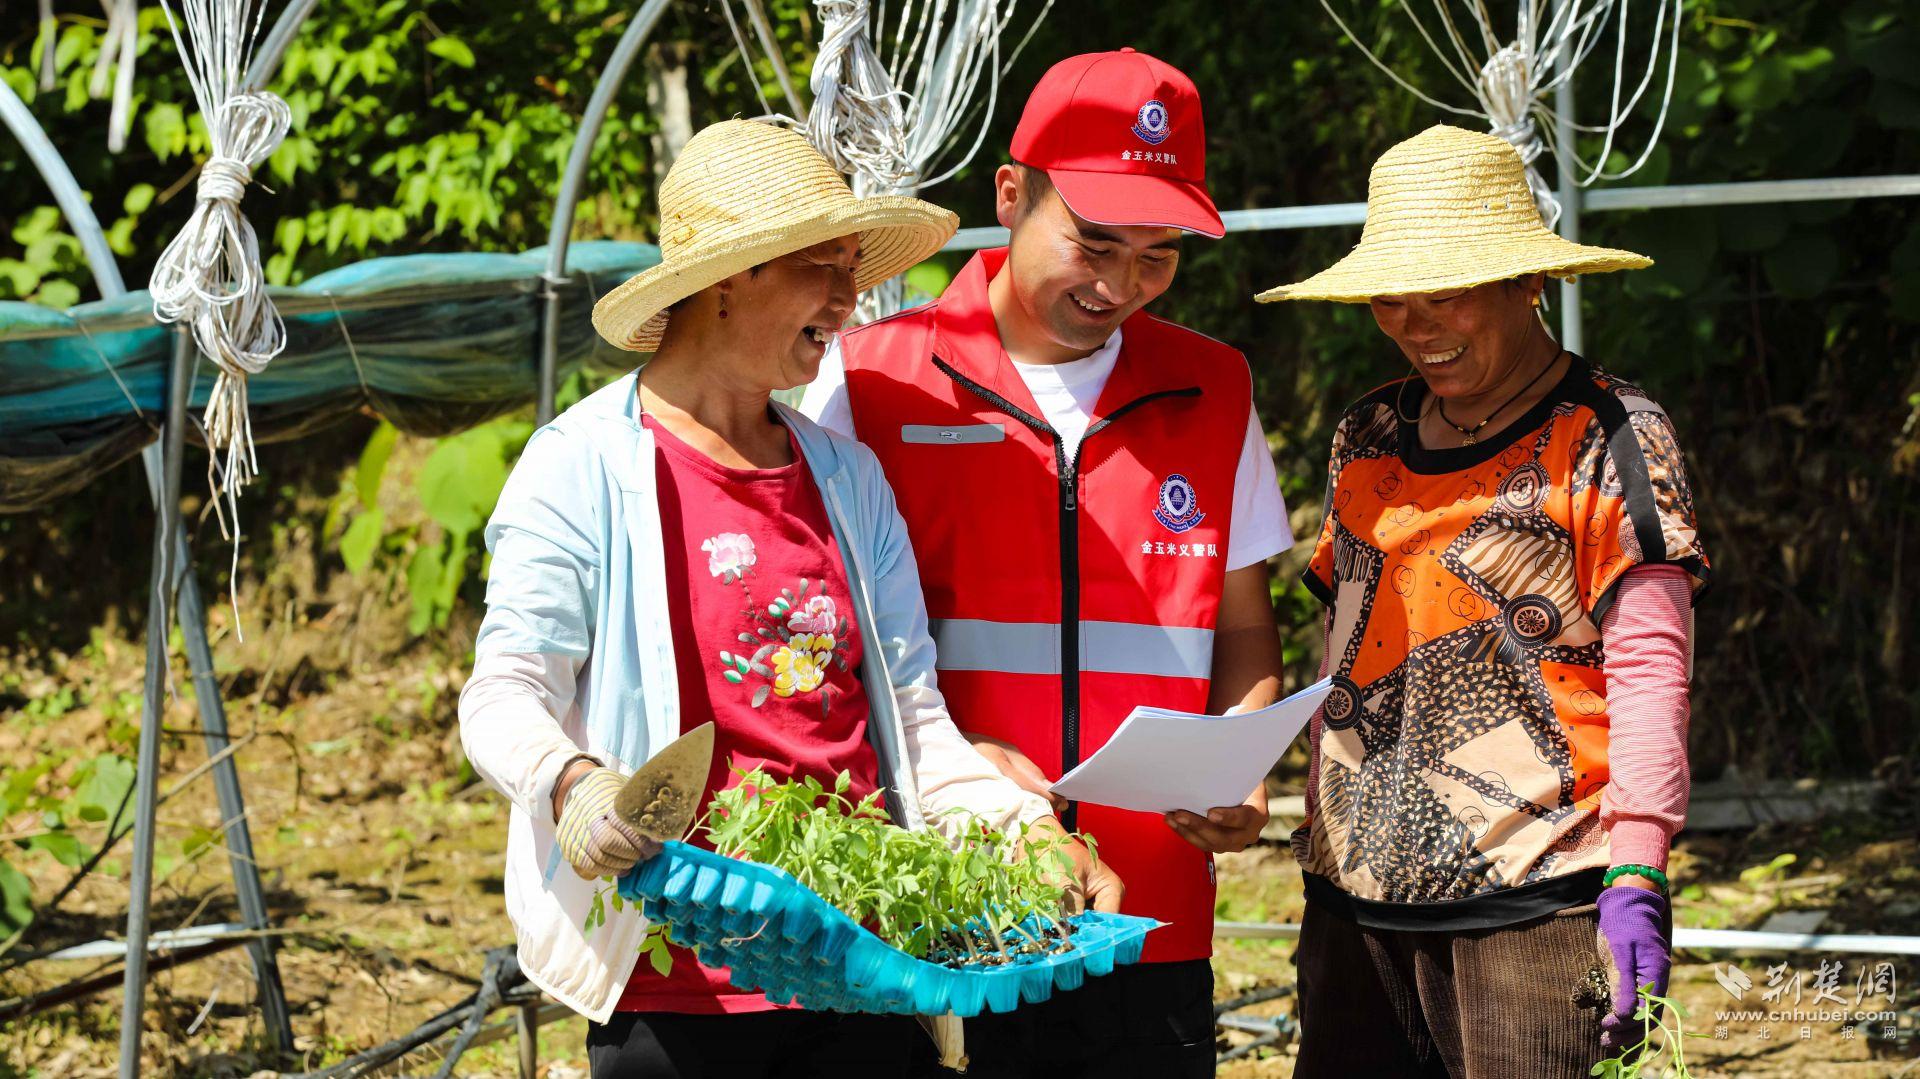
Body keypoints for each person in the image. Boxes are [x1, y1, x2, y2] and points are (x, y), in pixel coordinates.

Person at [457, 118, 1119, 1079]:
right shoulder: (583, 466)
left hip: (863, 957)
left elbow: (913, 721)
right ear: (730, 278)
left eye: (855, 265)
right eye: (825, 265)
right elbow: (502, 691)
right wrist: (572, 782)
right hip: (680, 975)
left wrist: (1031, 833)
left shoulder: (846, 478)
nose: (852, 298)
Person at [802, 48, 1294, 1078]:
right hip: (942, 893)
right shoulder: (876, 380)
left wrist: (1244, 752)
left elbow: (1244, 622)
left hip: (1150, 910)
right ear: (1013, 194)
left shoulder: (1214, 385)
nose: (1119, 284)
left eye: (1158, 254)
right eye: (1094, 241)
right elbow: (812, 643)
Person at [1254, 124, 1708, 1077]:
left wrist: (1639, 861)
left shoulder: (1610, 433)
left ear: (1529, 283)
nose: (1418, 326)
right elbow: (1347, 642)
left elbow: (1651, 662)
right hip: (1352, 902)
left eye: (1449, 294)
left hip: (1535, 906)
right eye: (1391, 300)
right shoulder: (1368, 433)